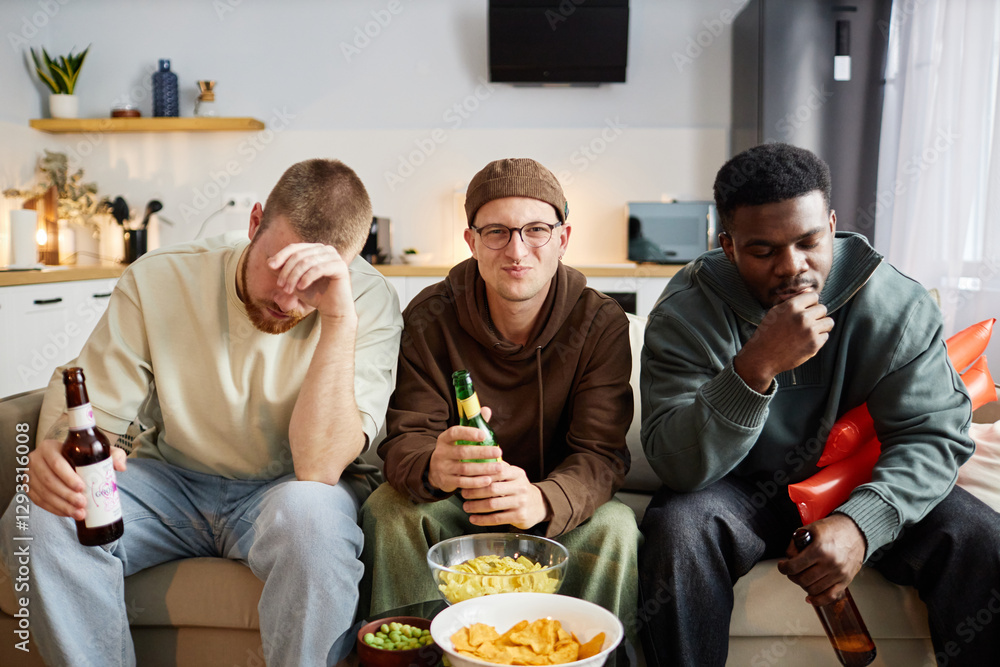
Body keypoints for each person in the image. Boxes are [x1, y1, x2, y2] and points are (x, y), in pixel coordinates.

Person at [0, 159, 403, 666]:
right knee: (38, 517)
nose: (288, 297)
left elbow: (319, 469)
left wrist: (338, 316)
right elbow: (96, 426)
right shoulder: (159, 277)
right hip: (171, 481)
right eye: (279, 267)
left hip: (285, 492)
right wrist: (58, 459)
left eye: (312, 283)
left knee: (314, 524)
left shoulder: (367, 300)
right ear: (254, 223)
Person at [638, 143, 1000, 666]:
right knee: (677, 532)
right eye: (762, 251)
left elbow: (933, 436)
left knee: (980, 537)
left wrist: (861, 523)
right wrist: (755, 367)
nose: (792, 268)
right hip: (737, 492)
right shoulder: (687, 311)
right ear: (729, 245)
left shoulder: (894, 303)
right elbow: (678, 464)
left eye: (808, 241)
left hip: (864, 482)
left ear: (831, 224)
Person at [359, 158, 640, 630]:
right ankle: (414, 658)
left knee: (617, 527)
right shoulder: (430, 316)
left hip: (554, 512)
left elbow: (601, 454)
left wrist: (543, 499)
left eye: (535, 230)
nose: (517, 250)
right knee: (387, 509)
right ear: (471, 241)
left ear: (563, 239)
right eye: (496, 232)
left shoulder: (600, 322)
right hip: (456, 509)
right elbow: (406, 438)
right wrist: (433, 464)